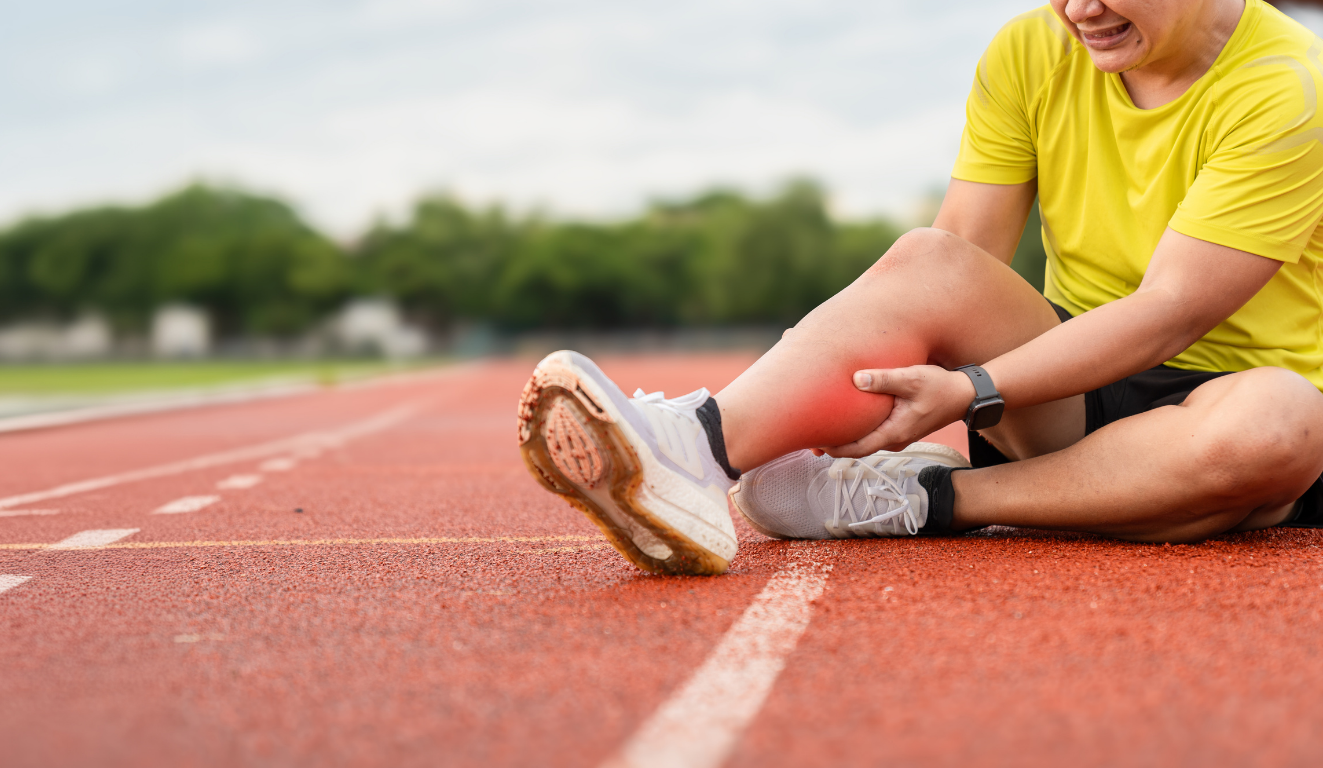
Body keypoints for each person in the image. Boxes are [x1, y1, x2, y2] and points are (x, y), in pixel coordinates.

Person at [516, 0, 1323, 576]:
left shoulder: (1289, 88)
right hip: (1070, 382)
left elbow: (1168, 313)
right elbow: (961, 257)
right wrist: (878, 382)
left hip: (1233, 405)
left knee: (1277, 426)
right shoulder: (1032, 48)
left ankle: (925, 500)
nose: (1079, 9)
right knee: (931, 257)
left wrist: (973, 389)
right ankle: (687, 448)